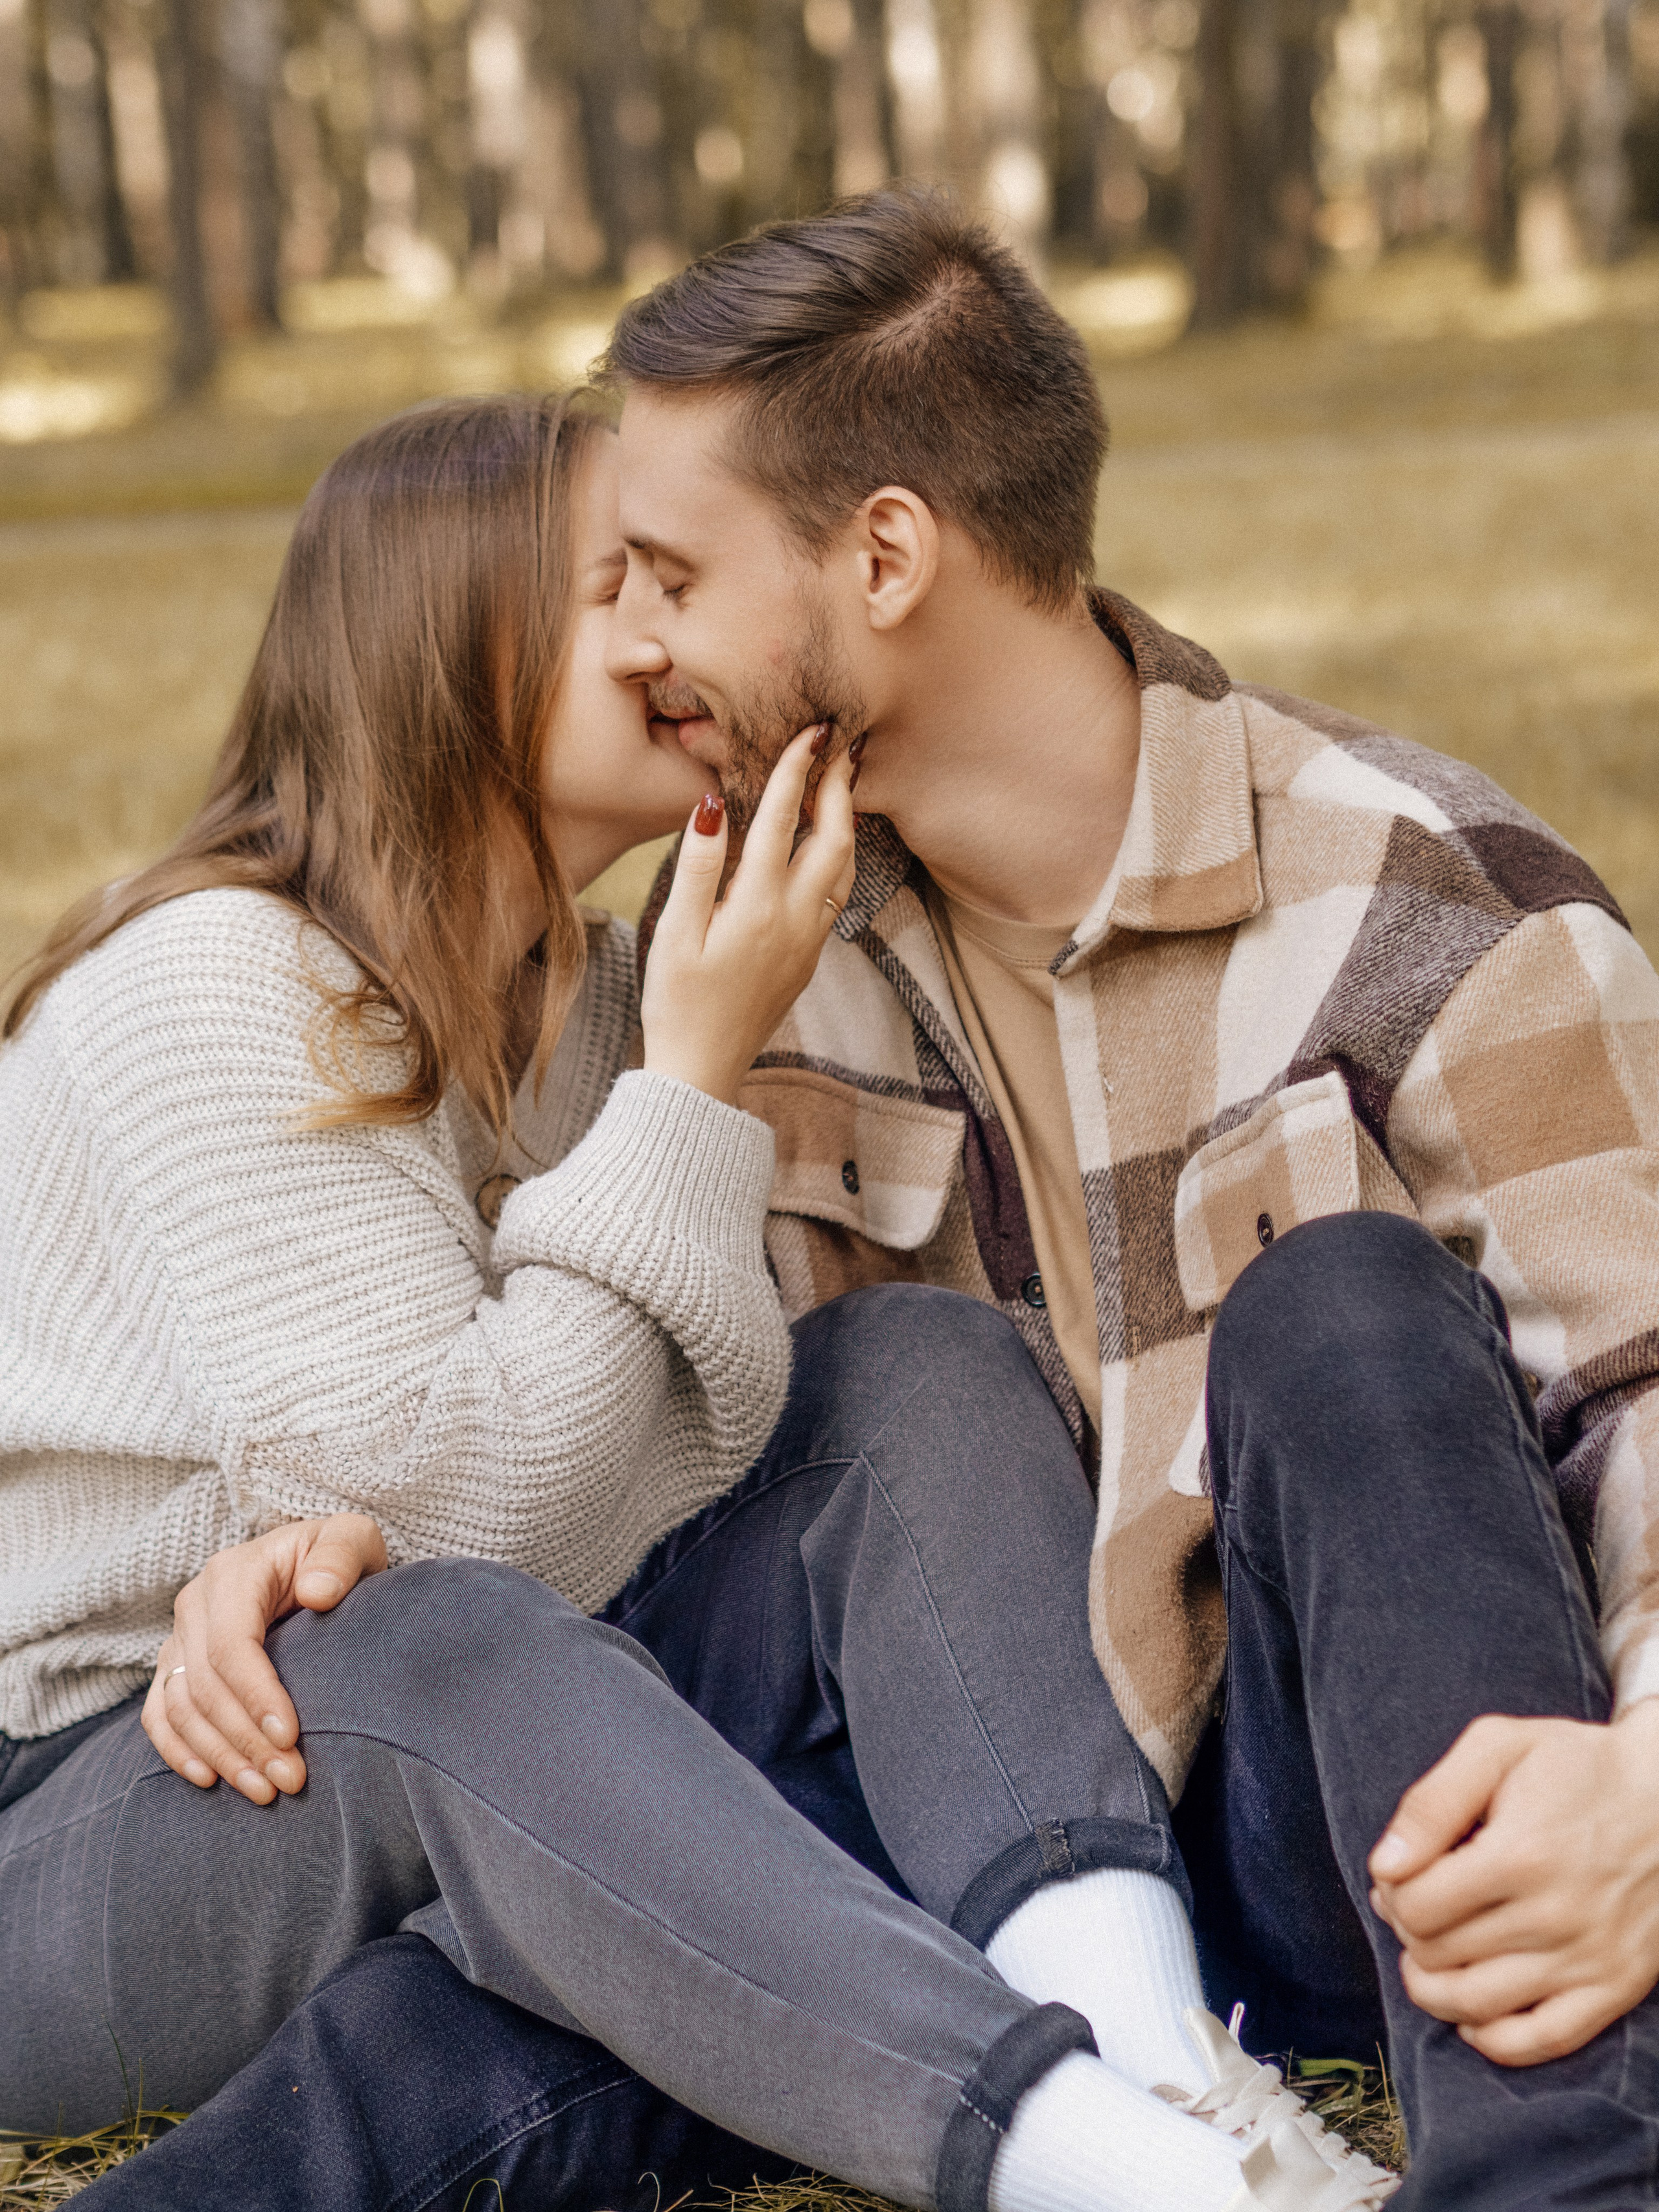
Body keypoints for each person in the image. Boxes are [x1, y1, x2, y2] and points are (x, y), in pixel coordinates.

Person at [119, 189, 1659, 2209]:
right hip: (966, 1853)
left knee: (1345, 1308)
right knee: (525, 1977)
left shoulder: (1427, 900)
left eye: (667, 573)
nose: (634, 640)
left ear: (888, 553)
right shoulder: (731, 952)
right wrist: (311, 1562)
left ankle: (1551, 2182)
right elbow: (616, 1464)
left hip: (1350, 1827)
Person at [1, 391, 1376, 2212]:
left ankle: (1155, 2052)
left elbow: (707, 1442)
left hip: (465, 1718)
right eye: (619, 585)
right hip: (111, 1812)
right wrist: (696, 1077)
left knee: (904, 1374)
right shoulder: (220, 979)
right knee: (441, 1645)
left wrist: (677, 1061)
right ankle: (1111, 2174)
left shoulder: (602, 998)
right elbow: (458, 1539)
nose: (683, 636)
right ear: (451, 641)